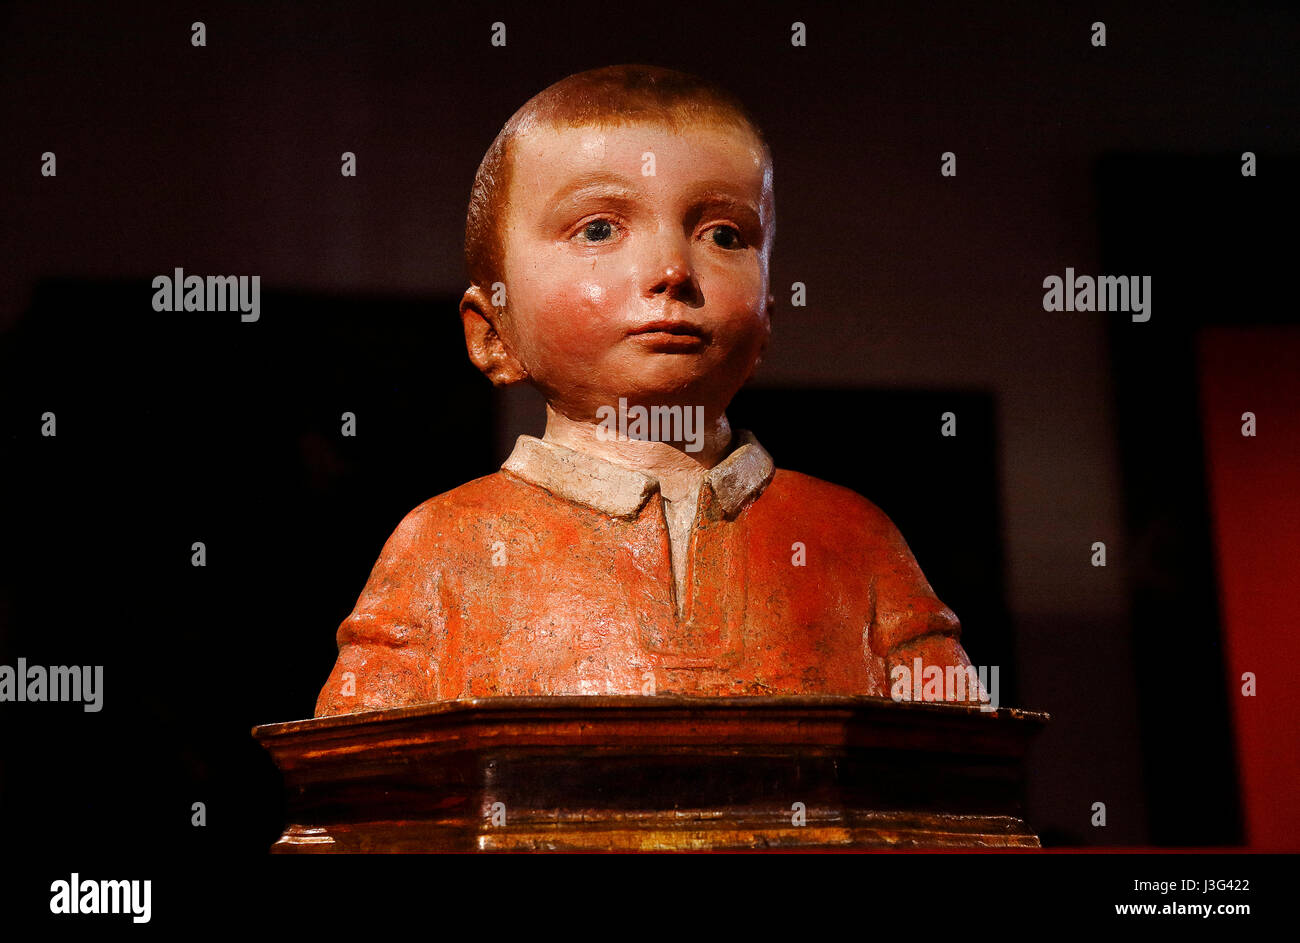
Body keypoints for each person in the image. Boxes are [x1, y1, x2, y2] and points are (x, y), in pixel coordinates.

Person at [315, 64, 980, 716]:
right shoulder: (443, 545)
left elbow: (964, 779)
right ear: (493, 329)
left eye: (725, 234)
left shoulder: (852, 540)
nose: (671, 269)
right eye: (598, 228)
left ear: (767, 321)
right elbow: (358, 791)